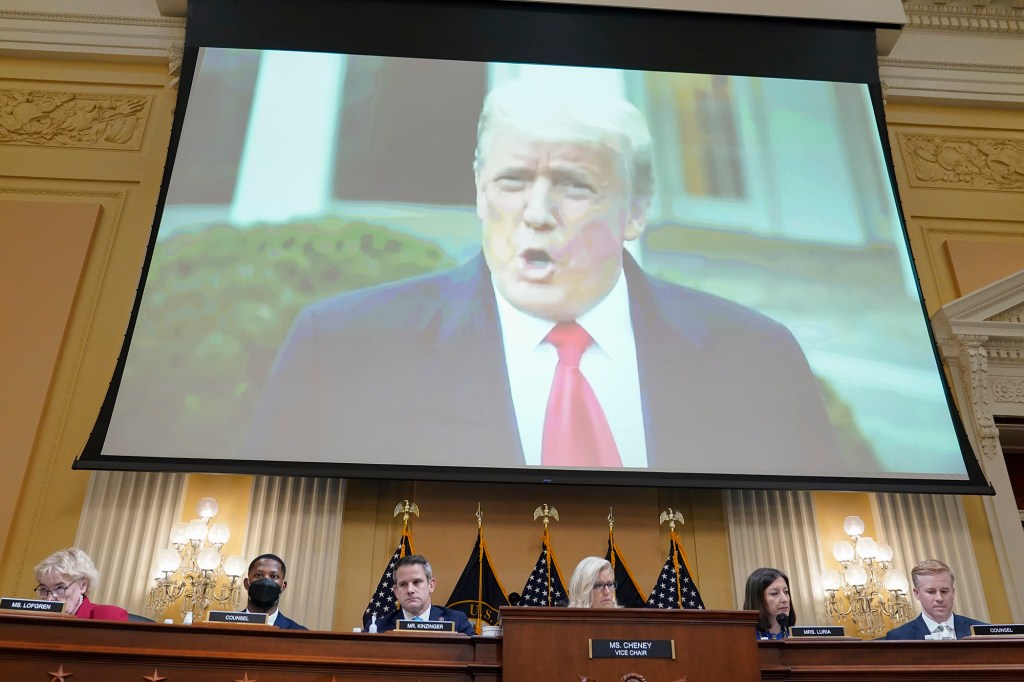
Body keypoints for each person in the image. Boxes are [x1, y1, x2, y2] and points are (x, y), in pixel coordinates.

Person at [244, 80, 847, 475]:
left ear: (636, 208)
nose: (536, 212)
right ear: (481, 193)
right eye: (511, 182)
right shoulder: (341, 345)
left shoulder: (759, 355)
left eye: (573, 184)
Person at [883, 559, 986, 640]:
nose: (939, 598)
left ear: (953, 592)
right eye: (931, 592)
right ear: (916, 593)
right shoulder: (899, 637)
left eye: (944, 591)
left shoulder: (982, 631)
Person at [376, 554, 474, 634]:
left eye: (417, 582)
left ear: (431, 585)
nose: (410, 590)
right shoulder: (378, 627)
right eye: (403, 584)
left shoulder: (457, 622)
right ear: (396, 591)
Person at [34, 547, 129, 621]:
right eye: (44, 589)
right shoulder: (33, 620)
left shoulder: (109, 617)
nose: (49, 598)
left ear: (83, 585)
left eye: (60, 588)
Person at [243, 553, 307, 630]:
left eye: (274, 576)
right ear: (246, 583)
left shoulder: (300, 634)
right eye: (258, 575)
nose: (266, 581)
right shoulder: (225, 625)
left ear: (283, 587)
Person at [743, 567, 794, 640]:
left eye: (786, 592)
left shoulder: (796, 634)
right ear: (757, 599)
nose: (785, 599)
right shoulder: (745, 638)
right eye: (774, 593)